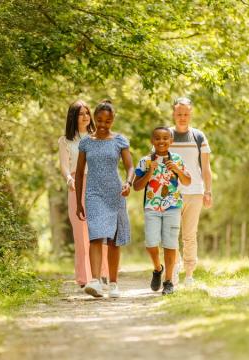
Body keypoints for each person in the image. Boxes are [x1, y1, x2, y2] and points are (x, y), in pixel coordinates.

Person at [75, 100, 134, 298]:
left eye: (107, 122)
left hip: (115, 193)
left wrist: (128, 183)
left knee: (113, 241)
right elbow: (79, 172)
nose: (102, 125)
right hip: (93, 194)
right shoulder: (86, 142)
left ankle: (114, 283)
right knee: (96, 236)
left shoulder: (119, 141)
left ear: (112, 121)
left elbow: (130, 167)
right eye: (99, 120)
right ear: (94, 118)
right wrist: (78, 202)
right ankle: (95, 281)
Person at [133, 126, 191, 295]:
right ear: (152, 141)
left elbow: (187, 181)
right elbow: (136, 186)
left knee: (170, 244)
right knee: (151, 243)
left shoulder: (177, 159)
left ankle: (168, 281)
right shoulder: (145, 161)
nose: (161, 141)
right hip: (152, 207)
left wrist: (177, 169)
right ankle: (158, 268)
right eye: (157, 138)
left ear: (171, 141)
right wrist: (149, 172)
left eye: (165, 138)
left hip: (173, 206)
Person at [58, 100, 109, 289]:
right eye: (81, 113)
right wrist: (69, 179)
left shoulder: (99, 137)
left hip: (97, 184)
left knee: (100, 230)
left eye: (87, 113)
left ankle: (102, 274)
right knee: (81, 234)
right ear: (73, 117)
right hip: (76, 185)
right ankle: (84, 278)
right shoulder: (65, 141)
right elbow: (64, 164)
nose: (86, 116)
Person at [169, 97, 213, 286]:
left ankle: (189, 275)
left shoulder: (198, 136)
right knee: (171, 234)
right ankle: (172, 273)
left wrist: (208, 191)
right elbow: (156, 162)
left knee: (189, 235)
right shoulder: (166, 135)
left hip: (194, 192)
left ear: (190, 114)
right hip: (170, 193)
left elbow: (206, 167)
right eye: (179, 114)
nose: (182, 117)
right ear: (173, 114)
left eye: (186, 114)